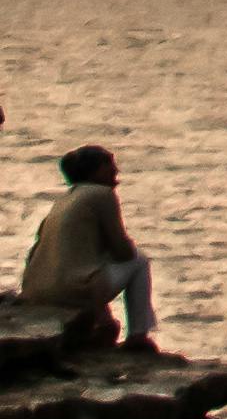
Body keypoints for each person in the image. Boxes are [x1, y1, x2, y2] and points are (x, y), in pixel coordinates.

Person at [20, 146, 154, 356]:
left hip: (37, 290)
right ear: (94, 171)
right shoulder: (102, 194)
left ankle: (101, 322)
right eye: (109, 164)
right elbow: (123, 251)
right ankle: (138, 335)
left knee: (93, 267)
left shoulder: (63, 199)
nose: (116, 170)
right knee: (139, 260)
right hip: (70, 289)